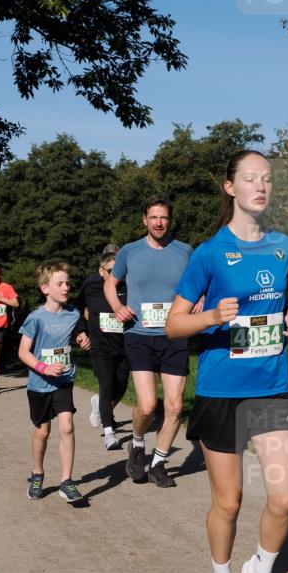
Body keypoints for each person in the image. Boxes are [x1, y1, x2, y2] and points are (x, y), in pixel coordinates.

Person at [166, 151, 288, 573]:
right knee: (229, 501)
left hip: (271, 386)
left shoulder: (284, 246)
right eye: (249, 179)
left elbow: (277, 303)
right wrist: (210, 317)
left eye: (266, 179)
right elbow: (172, 324)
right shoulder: (207, 253)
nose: (260, 186)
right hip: (222, 390)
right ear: (231, 188)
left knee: (285, 497)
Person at [104, 195, 192, 488]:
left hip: (175, 335)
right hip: (140, 334)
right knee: (146, 405)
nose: (159, 222)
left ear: (170, 220)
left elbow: (199, 287)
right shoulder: (130, 251)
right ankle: (138, 442)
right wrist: (117, 306)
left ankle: (158, 462)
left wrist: (200, 304)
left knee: (176, 406)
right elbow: (110, 283)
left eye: (164, 217)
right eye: (153, 217)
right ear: (145, 220)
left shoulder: (185, 252)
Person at [18, 260, 91, 504]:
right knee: (43, 431)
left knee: (67, 425)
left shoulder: (72, 314)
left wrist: (82, 337)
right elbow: (23, 352)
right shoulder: (35, 318)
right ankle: (37, 474)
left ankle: (66, 481)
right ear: (45, 288)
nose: (66, 287)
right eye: (59, 283)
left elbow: (78, 327)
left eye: (67, 283)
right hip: (39, 384)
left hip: (63, 380)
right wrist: (44, 367)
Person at [78, 251, 130, 451]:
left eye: (120, 270)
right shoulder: (90, 286)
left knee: (122, 385)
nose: (117, 274)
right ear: (101, 271)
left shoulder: (127, 286)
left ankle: (100, 404)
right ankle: (109, 433)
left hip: (124, 344)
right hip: (100, 345)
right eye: (111, 271)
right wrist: (81, 332)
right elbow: (76, 308)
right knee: (106, 383)